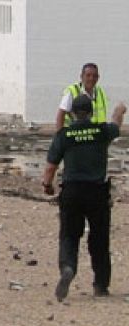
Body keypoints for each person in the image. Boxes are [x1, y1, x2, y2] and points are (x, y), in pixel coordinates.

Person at [41, 94, 126, 300]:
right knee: (99, 240)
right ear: (91, 112)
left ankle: (68, 267)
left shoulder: (64, 135)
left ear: (72, 114)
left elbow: (51, 167)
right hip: (97, 192)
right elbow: (116, 124)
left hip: (72, 192)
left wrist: (47, 186)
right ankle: (100, 285)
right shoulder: (101, 131)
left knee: (69, 236)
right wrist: (120, 109)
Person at [55, 63, 109, 131]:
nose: (91, 78)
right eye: (88, 75)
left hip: (95, 133)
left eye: (94, 76)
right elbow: (61, 114)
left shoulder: (100, 92)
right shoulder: (72, 91)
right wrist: (60, 134)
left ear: (98, 77)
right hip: (74, 133)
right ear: (81, 76)